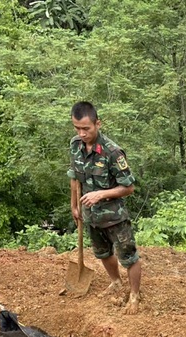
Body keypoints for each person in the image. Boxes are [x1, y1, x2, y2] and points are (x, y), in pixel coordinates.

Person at [68, 101, 142, 313]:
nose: (82, 133)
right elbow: (75, 177)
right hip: (91, 216)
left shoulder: (112, 152)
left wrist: (102, 194)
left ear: (97, 123)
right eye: (77, 128)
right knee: (102, 253)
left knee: (128, 257)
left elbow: (128, 187)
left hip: (115, 217)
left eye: (86, 129)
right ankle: (116, 282)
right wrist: (74, 205)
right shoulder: (75, 146)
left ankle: (135, 295)